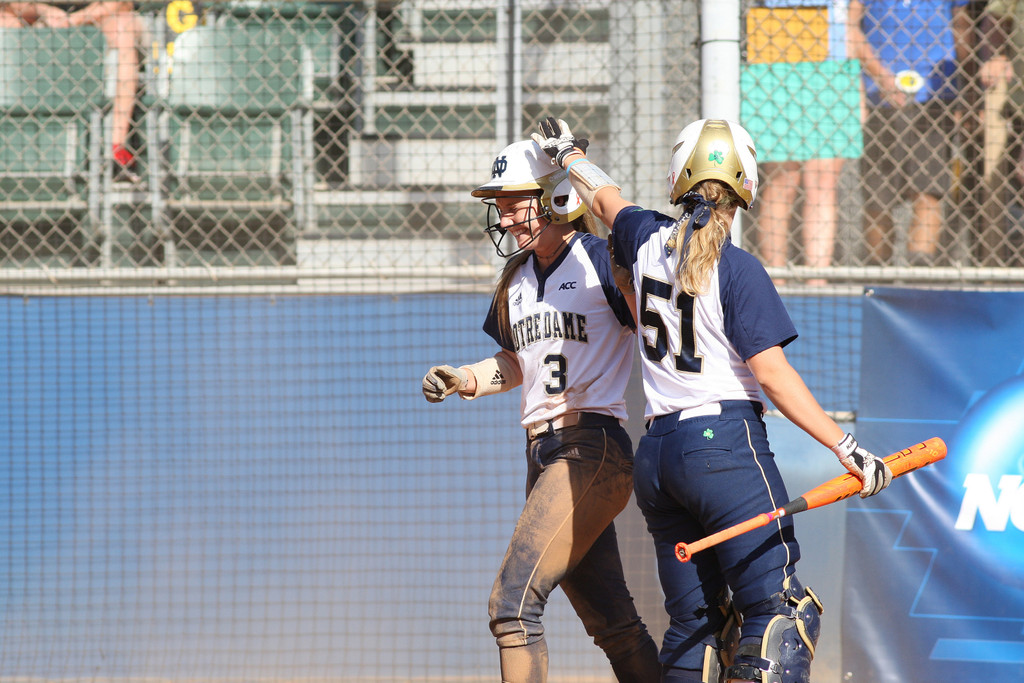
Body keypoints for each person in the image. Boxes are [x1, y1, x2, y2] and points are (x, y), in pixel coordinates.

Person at [530, 116, 893, 682]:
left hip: (658, 457)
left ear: (679, 177)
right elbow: (771, 376)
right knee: (777, 612)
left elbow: (603, 198)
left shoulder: (644, 236)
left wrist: (570, 154)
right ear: (745, 185)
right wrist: (847, 447)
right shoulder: (740, 269)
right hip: (723, 449)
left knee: (694, 624)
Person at [419, 139, 661, 683]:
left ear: (554, 197)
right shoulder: (518, 279)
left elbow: (655, 321)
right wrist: (466, 378)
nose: (503, 217)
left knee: (512, 606)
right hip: (546, 455)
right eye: (499, 204)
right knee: (614, 625)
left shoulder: (600, 260)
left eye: (513, 201)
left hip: (592, 448)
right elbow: (514, 361)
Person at [742, 0, 863, 284]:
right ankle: (775, 279)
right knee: (783, 178)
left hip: (833, 66)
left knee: (823, 180)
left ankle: (817, 280)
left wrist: (854, 82)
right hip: (776, 57)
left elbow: (851, 19)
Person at [848, 0, 971, 266]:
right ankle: (876, 272)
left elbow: (963, 29)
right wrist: (880, 76)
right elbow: (848, 25)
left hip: (936, 98)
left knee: (929, 191)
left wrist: (967, 90)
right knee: (878, 197)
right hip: (879, 99)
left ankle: (920, 271)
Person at [0, 2, 144, 181]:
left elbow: (122, 2)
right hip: (40, 16)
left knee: (124, 26)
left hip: (96, 17)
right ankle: (11, 141)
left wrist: (77, 18)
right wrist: (43, 10)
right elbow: (11, 3)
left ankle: (116, 148)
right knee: (4, 20)